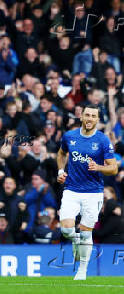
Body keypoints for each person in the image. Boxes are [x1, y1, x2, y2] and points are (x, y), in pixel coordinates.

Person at [57, 104, 118, 280]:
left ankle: (82, 270)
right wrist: (61, 172)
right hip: (72, 190)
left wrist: (98, 167)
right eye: (87, 115)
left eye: (93, 116)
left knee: (86, 232)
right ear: (81, 116)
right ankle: (74, 240)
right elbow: (61, 154)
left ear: (97, 120)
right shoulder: (70, 136)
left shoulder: (102, 140)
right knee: (67, 230)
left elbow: (113, 168)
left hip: (93, 192)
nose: (90, 118)